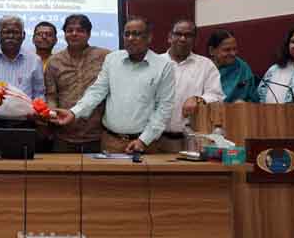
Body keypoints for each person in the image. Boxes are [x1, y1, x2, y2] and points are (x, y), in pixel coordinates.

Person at [52, 16, 175, 154]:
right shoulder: (113, 59)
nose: (130, 38)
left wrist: (143, 140)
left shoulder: (164, 66)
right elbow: (97, 91)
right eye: (127, 34)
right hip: (110, 141)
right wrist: (74, 113)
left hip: (145, 143)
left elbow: (164, 108)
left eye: (136, 34)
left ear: (149, 37)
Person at [45, 14, 110, 153]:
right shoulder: (54, 61)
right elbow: (51, 96)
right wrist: (52, 115)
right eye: (69, 30)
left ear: (89, 34)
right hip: (63, 135)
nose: (74, 34)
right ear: (65, 34)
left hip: (97, 135)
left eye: (80, 30)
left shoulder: (105, 57)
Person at [160, 19, 224, 153]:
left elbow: (217, 96)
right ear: (169, 37)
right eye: (178, 34)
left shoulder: (206, 65)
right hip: (156, 141)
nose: (182, 39)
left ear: (195, 40)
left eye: (188, 35)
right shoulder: (155, 63)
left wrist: (198, 99)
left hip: (192, 140)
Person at [206, 29, 259, 103]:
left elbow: (255, 100)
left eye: (235, 49)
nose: (233, 53)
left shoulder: (243, 68)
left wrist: (245, 103)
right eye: (227, 50)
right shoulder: (203, 68)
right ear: (212, 50)